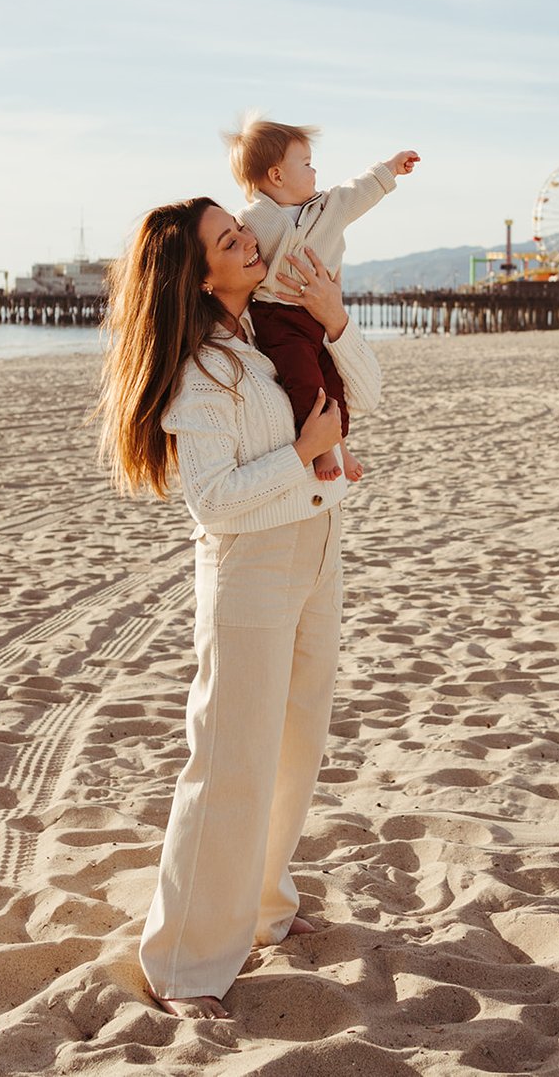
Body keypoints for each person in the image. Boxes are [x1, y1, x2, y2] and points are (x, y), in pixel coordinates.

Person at [95, 196, 381, 1020]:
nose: (249, 240)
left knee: (297, 743)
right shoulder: (199, 371)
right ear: (198, 273)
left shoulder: (272, 326)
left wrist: (335, 322)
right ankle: (184, 961)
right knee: (228, 759)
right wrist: (302, 453)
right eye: (230, 240)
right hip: (251, 564)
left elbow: (367, 390)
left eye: (241, 229)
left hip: (315, 549)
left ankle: (262, 906)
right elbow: (215, 503)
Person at [225, 116, 419, 483]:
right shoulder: (251, 220)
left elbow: (360, 190)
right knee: (304, 379)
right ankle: (320, 447)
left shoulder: (329, 207)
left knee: (333, 383)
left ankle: (340, 443)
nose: (315, 172)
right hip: (276, 315)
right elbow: (233, 259)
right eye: (307, 164)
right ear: (277, 175)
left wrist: (390, 168)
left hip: (319, 316)